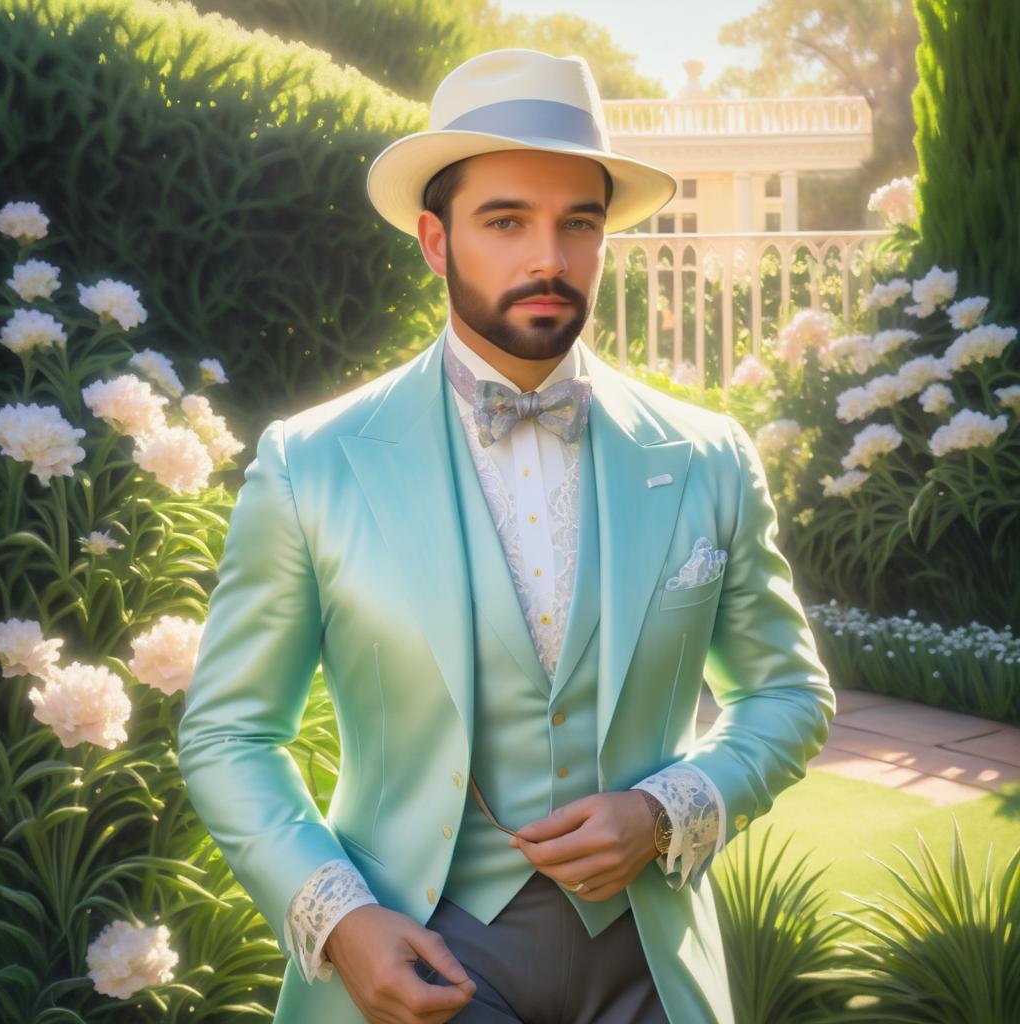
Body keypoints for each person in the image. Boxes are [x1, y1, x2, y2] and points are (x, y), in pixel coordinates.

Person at [177, 48, 836, 1024]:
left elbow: (786, 691)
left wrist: (669, 808)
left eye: (579, 223)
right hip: (420, 962)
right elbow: (231, 731)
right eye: (506, 221)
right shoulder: (312, 464)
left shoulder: (705, 457)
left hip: (651, 968)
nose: (549, 258)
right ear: (435, 242)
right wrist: (342, 919)